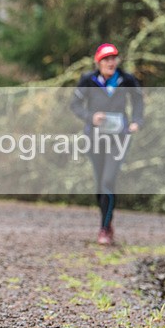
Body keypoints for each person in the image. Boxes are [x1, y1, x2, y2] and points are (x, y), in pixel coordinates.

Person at [70, 43, 144, 246]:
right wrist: (90, 116)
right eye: (106, 59)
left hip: (119, 138)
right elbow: (75, 104)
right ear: (98, 62)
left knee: (108, 181)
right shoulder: (88, 80)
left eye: (114, 59)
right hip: (95, 138)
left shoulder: (126, 79)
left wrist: (137, 121)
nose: (111, 63)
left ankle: (104, 228)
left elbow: (138, 101)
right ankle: (107, 221)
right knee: (99, 183)